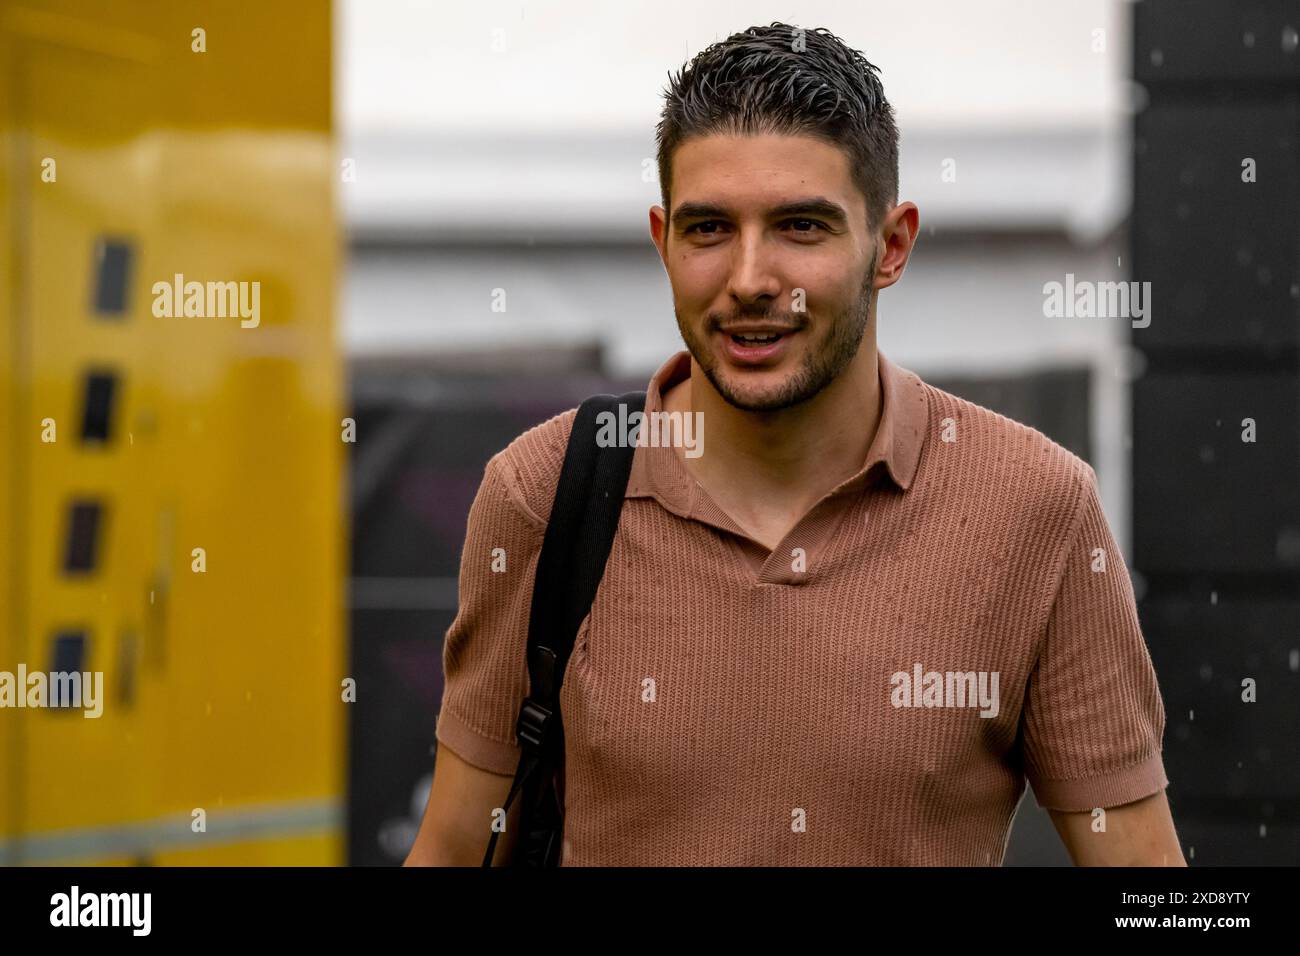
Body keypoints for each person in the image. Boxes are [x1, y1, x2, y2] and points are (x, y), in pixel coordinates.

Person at [405, 22, 1183, 867]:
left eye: (800, 226)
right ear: (663, 241)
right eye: (708, 230)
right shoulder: (545, 490)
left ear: (891, 246)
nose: (749, 279)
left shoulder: (1036, 506)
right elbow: (453, 850)